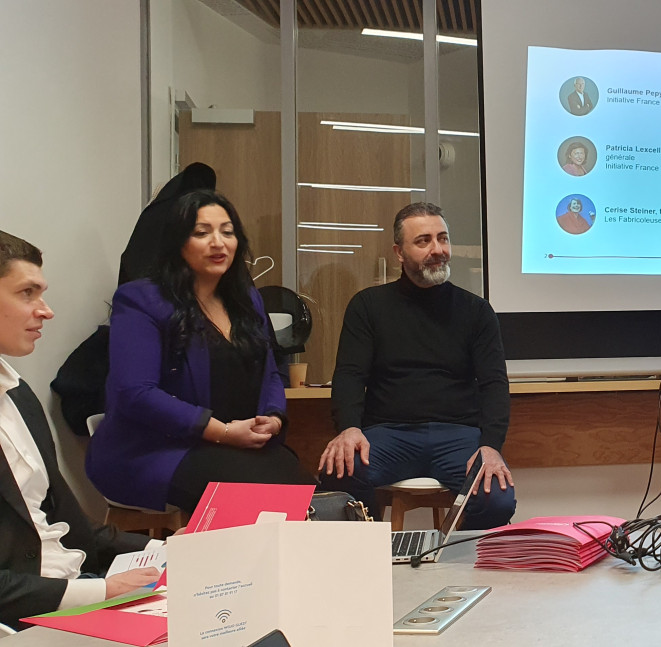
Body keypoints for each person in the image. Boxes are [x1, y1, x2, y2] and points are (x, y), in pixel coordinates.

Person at [87, 190, 311, 512]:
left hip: (235, 449)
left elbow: (271, 371)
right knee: (260, 501)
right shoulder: (140, 300)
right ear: (178, 242)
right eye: (202, 232)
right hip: (155, 449)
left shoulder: (247, 299)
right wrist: (222, 432)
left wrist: (274, 418)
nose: (218, 242)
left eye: (227, 232)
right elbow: (135, 393)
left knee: (304, 492)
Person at [318, 203, 516, 529]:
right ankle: (372, 559)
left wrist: (491, 446)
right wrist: (349, 427)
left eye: (442, 238)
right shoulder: (368, 306)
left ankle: (454, 562)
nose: (437, 249)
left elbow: (494, 383)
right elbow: (350, 374)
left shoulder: (476, 312)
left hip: (459, 436)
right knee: (338, 473)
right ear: (399, 252)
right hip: (387, 434)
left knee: (496, 499)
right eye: (423, 241)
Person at [0, 230, 161, 629]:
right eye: (27, 293)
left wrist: (171, 548)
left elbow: (71, 528)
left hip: (72, 588)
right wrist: (102, 592)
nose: (46, 310)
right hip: (30, 614)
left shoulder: (17, 395)